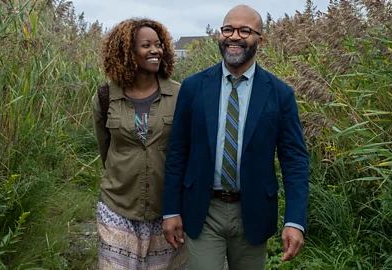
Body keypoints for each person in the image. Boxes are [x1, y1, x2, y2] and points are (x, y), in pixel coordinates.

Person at [161, 4, 310, 270]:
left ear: (259, 40)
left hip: (253, 210)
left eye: (245, 30)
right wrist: (171, 210)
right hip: (204, 210)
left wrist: (294, 221)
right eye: (228, 29)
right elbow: (177, 151)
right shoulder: (194, 87)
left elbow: (295, 161)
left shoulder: (279, 93)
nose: (234, 36)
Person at [92, 18, 188, 269]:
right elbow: (106, 149)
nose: (155, 50)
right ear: (127, 52)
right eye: (146, 45)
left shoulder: (181, 95)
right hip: (117, 205)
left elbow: (188, 152)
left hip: (166, 210)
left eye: (158, 45)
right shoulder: (105, 96)